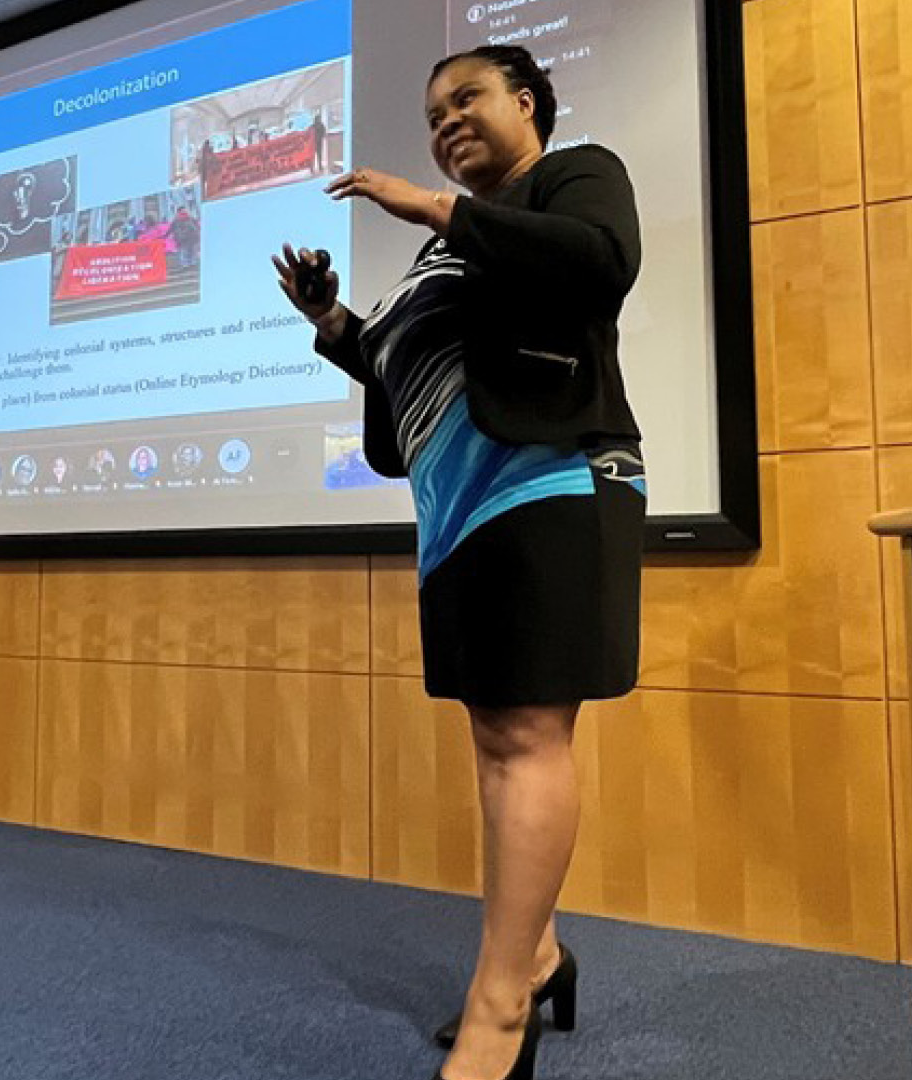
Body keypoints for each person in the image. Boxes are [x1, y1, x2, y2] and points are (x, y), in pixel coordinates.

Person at [272, 44, 643, 1080]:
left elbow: (597, 261)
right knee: (497, 742)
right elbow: (400, 359)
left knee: (528, 736)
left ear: (528, 102)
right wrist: (332, 321)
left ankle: (499, 1006)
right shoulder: (447, 255)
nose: (447, 122)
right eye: (434, 113)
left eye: (467, 99)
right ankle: (540, 956)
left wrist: (436, 208)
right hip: (459, 509)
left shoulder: (574, 178)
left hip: (552, 479)